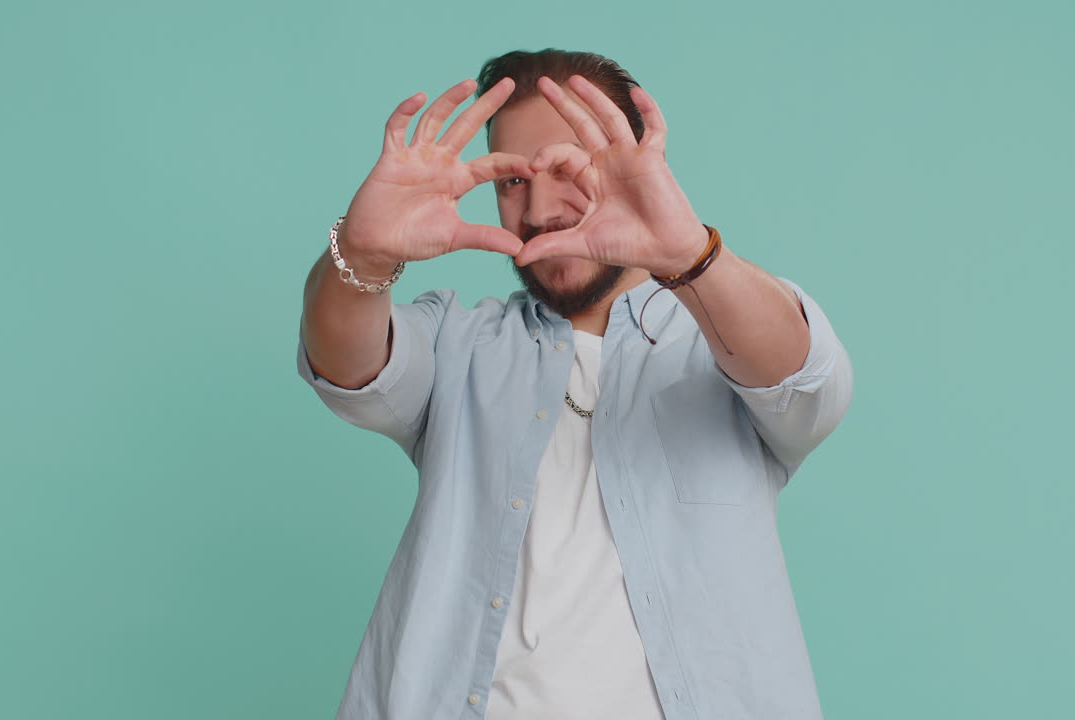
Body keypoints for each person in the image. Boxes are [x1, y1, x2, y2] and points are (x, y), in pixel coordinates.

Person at [297, 48, 853, 720]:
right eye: (511, 182)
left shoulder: (721, 338)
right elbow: (346, 365)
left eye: (567, 168)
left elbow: (805, 382)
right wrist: (364, 251)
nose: (539, 208)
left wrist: (685, 253)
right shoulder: (460, 343)